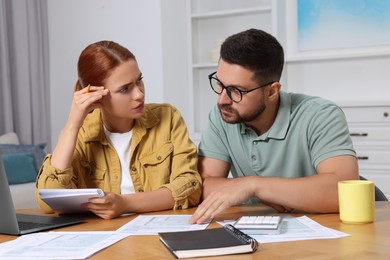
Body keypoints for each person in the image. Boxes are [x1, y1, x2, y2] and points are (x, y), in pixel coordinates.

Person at [189, 28, 358, 224]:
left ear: (272, 92)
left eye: (236, 91)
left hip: (322, 235)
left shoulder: (321, 115)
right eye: (219, 84)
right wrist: (260, 191)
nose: (221, 100)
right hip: (258, 232)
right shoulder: (223, 116)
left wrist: (253, 186)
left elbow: (344, 191)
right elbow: (201, 184)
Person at [35, 41, 202, 219]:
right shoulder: (82, 134)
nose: (139, 94)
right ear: (96, 96)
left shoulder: (167, 118)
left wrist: (125, 204)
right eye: (125, 89)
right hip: (102, 236)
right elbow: (48, 200)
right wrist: (71, 126)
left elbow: (190, 186)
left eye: (140, 81)